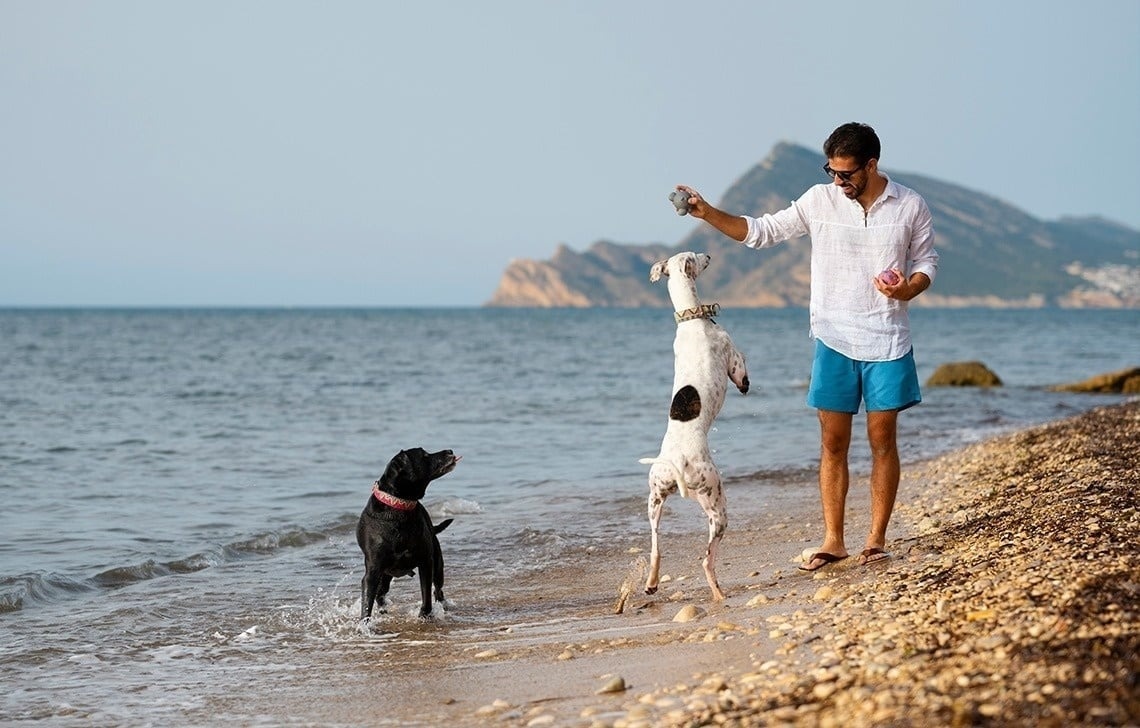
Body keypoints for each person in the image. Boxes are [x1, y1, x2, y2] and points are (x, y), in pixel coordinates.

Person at [676, 122, 939, 571]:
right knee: (832, 443)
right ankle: (834, 541)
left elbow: (926, 262)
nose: (838, 182)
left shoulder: (910, 205)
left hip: (888, 338)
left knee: (882, 441)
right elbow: (760, 232)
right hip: (834, 337)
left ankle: (875, 540)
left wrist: (908, 290)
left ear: (871, 165)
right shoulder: (819, 200)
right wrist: (707, 212)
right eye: (832, 172)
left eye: (846, 174)